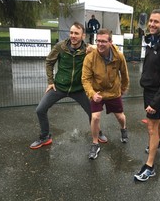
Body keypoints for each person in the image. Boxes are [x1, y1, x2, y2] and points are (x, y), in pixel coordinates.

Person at [30, 22, 107, 150]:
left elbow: (106, 52)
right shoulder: (61, 47)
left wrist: (94, 48)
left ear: (83, 36)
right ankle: (45, 137)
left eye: (76, 33)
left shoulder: (87, 49)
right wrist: (50, 81)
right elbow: (49, 62)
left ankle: (97, 133)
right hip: (59, 87)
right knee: (40, 110)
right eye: (71, 32)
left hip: (79, 89)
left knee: (93, 113)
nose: (73, 36)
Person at [134, 9, 160, 182]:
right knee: (156, 121)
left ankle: (150, 166)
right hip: (149, 90)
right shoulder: (153, 41)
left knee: (151, 127)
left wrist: (157, 102)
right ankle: (159, 142)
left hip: (156, 93)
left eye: (156, 22)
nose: (151, 24)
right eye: (150, 21)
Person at [82, 28, 130, 160]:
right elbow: (85, 79)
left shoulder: (119, 56)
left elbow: (125, 74)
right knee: (95, 117)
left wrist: (124, 88)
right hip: (97, 92)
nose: (100, 44)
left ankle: (124, 129)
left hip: (113, 92)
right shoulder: (90, 58)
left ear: (110, 42)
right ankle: (95, 143)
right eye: (98, 41)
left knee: (120, 117)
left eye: (103, 41)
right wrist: (92, 93)